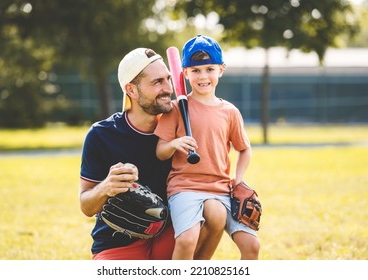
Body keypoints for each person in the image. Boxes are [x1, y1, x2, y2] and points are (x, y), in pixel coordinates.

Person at [79, 47, 225, 260]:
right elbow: (86, 206)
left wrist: (235, 187)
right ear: (132, 90)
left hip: (171, 235)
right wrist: (105, 188)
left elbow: (212, 174)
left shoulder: (184, 127)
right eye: (157, 82)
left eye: (168, 79)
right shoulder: (102, 135)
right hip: (118, 243)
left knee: (213, 213)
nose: (168, 88)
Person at [154, 35, 261, 260]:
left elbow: (244, 149)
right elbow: (160, 151)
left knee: (251, 246)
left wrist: (238, 180)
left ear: (221, 70)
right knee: (186, 240)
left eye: (209, 69)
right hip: (185, 187)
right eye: (195, 70)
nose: (203, 76)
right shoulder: (175, 109)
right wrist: (174, 144)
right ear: (184, 73)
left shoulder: (229, 111)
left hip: (222, 188)